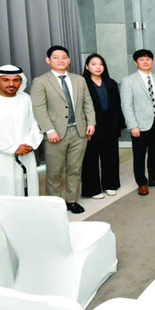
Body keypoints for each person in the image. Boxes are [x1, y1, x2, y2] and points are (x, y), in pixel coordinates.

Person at [31, 46, 96, 213]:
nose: (60, 60)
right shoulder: (41, 81)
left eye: (64, 57)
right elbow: (39, 108)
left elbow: (87, 103)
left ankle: (71, 200)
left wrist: (91, 123)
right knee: (54, 171)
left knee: (75, 169)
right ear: (48, 60)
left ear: (69, 60)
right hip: (55, 133)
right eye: (56, 57)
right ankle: (53, 204)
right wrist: (48, 130)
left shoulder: (79, 80)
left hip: (79, 131)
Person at [0, 65, 43, 197]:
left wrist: (29, 143)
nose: (11, 84)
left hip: (23, 153)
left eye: (16, 80)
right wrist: (12, 148)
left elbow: (35, 125)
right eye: (6, 80)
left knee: (23, 191)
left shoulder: (26, 99)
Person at [120, 49, 155, 196]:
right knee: (139, 155)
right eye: (141, 59)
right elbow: (126, 106)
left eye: (148, 59)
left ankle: (154, 178)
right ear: (136, 62)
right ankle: (141, 183)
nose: (145, 62)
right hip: (139, 124)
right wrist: (132, 126)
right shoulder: (128, 81)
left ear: (152, 61)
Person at [81, 54, 123, 199]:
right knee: (90, 158)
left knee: (110, 156)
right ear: (87, 67)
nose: (98, 67)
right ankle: (92, 189)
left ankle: (110, 185)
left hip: (110, 125)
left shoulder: (111, 83)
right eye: (93, 64)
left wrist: (120, 124)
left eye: (100, 64)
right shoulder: (82, 84)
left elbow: (117, 105)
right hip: (91, 126)